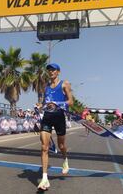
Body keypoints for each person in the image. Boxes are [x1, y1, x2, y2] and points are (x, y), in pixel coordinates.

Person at [36, 63, 73, 191]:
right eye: (49, 70)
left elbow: (70, 102)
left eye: (53, 70)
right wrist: (40, 105)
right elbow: (44, 102)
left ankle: (65, 158)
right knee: (44, 147)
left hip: (59, 117)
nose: (51, 72)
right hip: (47, 117)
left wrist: (56, 103)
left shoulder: (64, 84)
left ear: (58, 72)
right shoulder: (45, 87)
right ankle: (44, 178)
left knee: (61, 146)